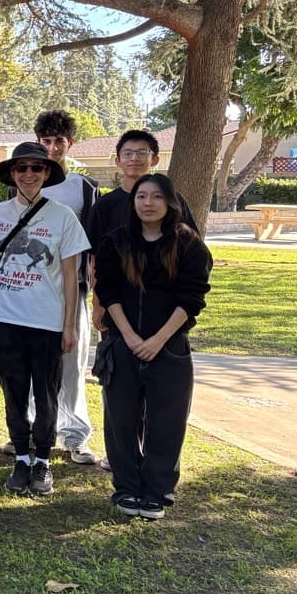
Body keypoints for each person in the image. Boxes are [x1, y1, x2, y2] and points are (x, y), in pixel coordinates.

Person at [94, 174, 211, 520]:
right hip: (122, 344)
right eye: (141, 196)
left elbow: (192, 298)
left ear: (170, 202)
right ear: (133, 203)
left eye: (156, 197)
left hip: (170, 348)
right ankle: (127, 488)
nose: (148, 203)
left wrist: (158, 340)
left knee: (167, 422)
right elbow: (108, 291)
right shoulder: (115, 242)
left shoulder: (189, 245)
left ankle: (157, 490)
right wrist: (129, 336)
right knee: (121, 422)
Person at [0, 142, 89, 496]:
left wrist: (70, 324)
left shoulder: (62, 217)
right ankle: (21, 458)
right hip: (7, 320)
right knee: (12, 393)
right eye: (22, 168)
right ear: (12, 174)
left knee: (45, 394)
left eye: (37, 169)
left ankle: (42, 459)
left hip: (47, 322)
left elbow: (71, 275)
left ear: (46, 174)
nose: (29, 174)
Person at [3, 111, 102, 465]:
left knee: (72, 366)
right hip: (28, 292)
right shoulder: (22, 183)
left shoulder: (83, 187)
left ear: (69, 144)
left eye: (59, 141)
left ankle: (75, 435)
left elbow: (92, 241)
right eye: (46, 141)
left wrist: (91, 286)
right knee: (30, 368)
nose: (52, 147)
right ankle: (26, 432)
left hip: (71, 292)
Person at [86, 129, 198, 332]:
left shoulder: (174, 201)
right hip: (118, 305)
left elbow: (191, 252)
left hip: (166, 305)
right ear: (118, 160)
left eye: (142, 153)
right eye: (128, 153)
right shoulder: (105, 205)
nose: (134, 158)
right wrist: (98, 302)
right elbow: (96, 258)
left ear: (154, 159)